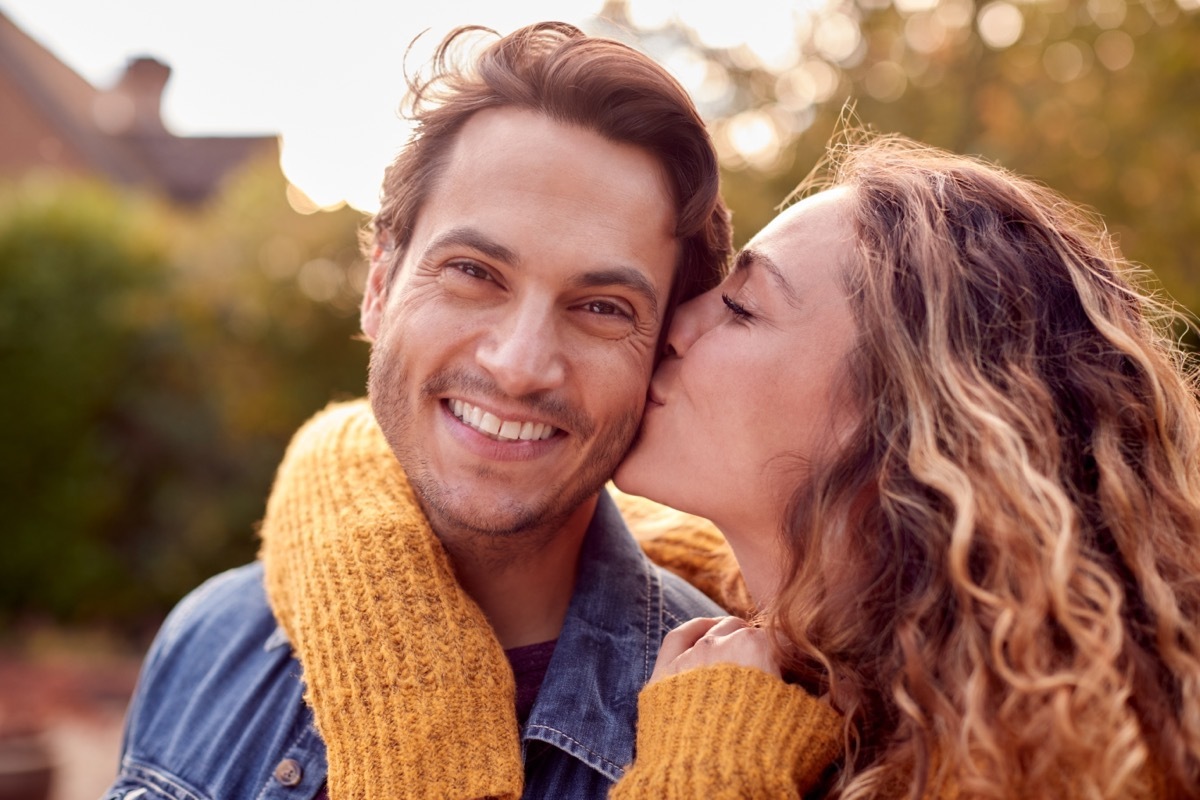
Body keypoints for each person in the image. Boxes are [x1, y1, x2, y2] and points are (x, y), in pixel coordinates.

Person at [104, 21, 733, 800]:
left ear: (664, 356)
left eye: (601, 307)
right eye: (474, 271)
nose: (518, 364)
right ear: (378, 287)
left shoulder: (748, 728)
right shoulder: (208, 638)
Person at [609, 133, 1200, 798]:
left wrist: (706, 761)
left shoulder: (1034, 777)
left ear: (901, 433)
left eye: (741, 308)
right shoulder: (876, 655)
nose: (674, 323)